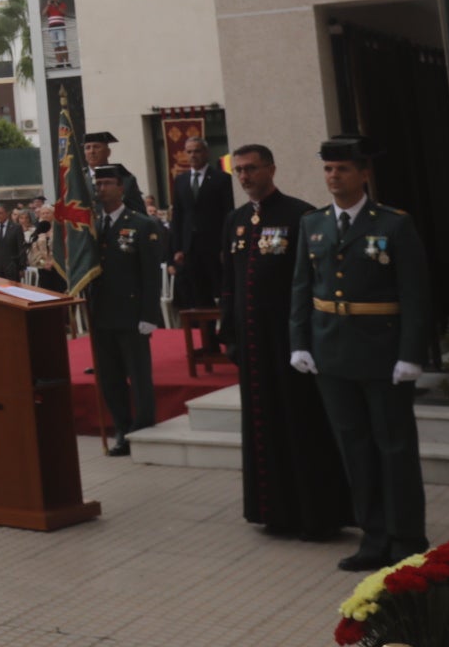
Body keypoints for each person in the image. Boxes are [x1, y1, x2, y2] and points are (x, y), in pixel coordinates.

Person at [289, 136, 431, 572]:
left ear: (364, 174)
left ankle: (406, 536)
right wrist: (299, 341)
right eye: (328, 169)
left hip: (382, 353)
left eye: (343, 169)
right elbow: (301, 287)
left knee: (394, 447)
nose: (334, 176)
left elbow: (415, 293)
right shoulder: (312, 223)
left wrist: (411, 353)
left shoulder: (393, 224)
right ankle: (374, 536)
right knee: (354, 448)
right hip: (331, 352)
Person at [219, 144, 348, 541]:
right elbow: (228, 282)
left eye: (252, 169)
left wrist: (307, 337)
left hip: (290, 342)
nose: (245, 177)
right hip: (251, 341)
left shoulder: (300, 215)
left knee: (301, 423)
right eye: (239, 170)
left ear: (271, 169)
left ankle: (316, 516)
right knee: (263, 425)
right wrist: (228, 332)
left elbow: (315, 282)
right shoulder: (235, 220)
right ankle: (273, 511)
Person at [87, 165, 163, 454]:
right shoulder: (92, 227)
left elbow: (151, 275)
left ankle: (142, 428)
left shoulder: (141, 224)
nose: (101, 188)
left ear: (121, 188)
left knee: (138, 375)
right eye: (98, 184)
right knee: (110, 377)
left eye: (107, 183)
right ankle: (121, 427)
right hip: (101, 313)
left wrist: (149, 315)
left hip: (131, 314)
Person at [171, 136, 235, 351]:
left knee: (224, 293)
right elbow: (178, 216)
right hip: (192, 248)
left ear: (206, 153)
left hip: (216, 247)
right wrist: (178, 248)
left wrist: (226, 246)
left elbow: (228, 214)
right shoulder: (181, 181)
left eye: (197, 151)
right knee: (200, 297)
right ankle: (209, 343)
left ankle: (230, 339)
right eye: (189, 151)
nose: (193, 155)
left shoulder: (221, 179)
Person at [84, 132, 147, 215]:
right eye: (87, 148)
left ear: (108, 152)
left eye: (96, 147)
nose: (92, 151)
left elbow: (139, 214)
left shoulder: (125, 179)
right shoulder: (77, 179)